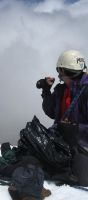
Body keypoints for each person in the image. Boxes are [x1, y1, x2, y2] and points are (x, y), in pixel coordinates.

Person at [37, 49, 88, 186]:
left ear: (64, 71)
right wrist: (46, 90)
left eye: (59, 71)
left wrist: (75, 129)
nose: (58, 74)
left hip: (82, 146)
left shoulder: (85, 92)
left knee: (83, 177)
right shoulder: (62, 90)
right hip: (63, 143)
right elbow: (51, 112)